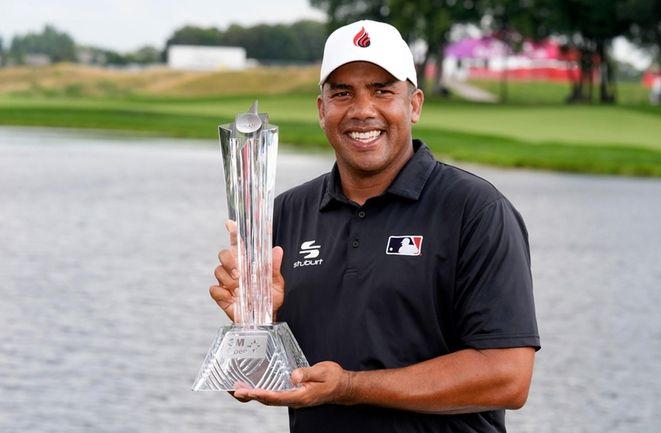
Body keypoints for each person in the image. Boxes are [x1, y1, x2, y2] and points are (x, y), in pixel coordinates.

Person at [210, 19, 540, 433]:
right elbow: (254, 382)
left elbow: (507, 378)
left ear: (414, 104)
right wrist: (257, 325)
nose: (362, 110)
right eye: (342, 93)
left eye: (382, 90)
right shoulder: (286, 213)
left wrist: (349, 386)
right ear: (321, 110)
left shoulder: (474, 209)